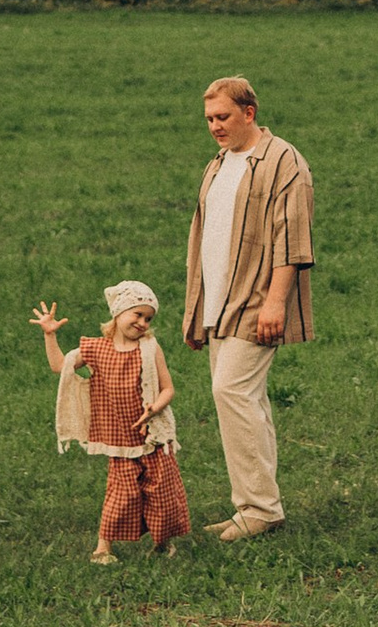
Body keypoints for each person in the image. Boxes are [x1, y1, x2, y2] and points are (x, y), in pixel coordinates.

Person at [181, 75, 312, 543]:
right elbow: (204, 240)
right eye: (210, 119)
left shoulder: (284, 161)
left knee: (231, 392)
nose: (215, 126)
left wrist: (275, 302)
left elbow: (292, 240)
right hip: (218, 301)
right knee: (245, 399)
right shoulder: (218, 163)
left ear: (249, 113)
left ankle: (259, 509)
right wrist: (196, 310)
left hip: (257, 301)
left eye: (223, 117)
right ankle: (255, 505)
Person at [38, 278, 190, 564]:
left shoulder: (149, 348)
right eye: (137, 314)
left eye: (148, 318)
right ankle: (103, 546)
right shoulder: (96, 349)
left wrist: (154, 408)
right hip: (119, 437)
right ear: (118, 312)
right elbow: (60, 366)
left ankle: (162, 543)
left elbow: (168, 388)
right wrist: (50, 335)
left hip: (153, 436)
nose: (143, 322)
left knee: (162, 493)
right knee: (120, 494)